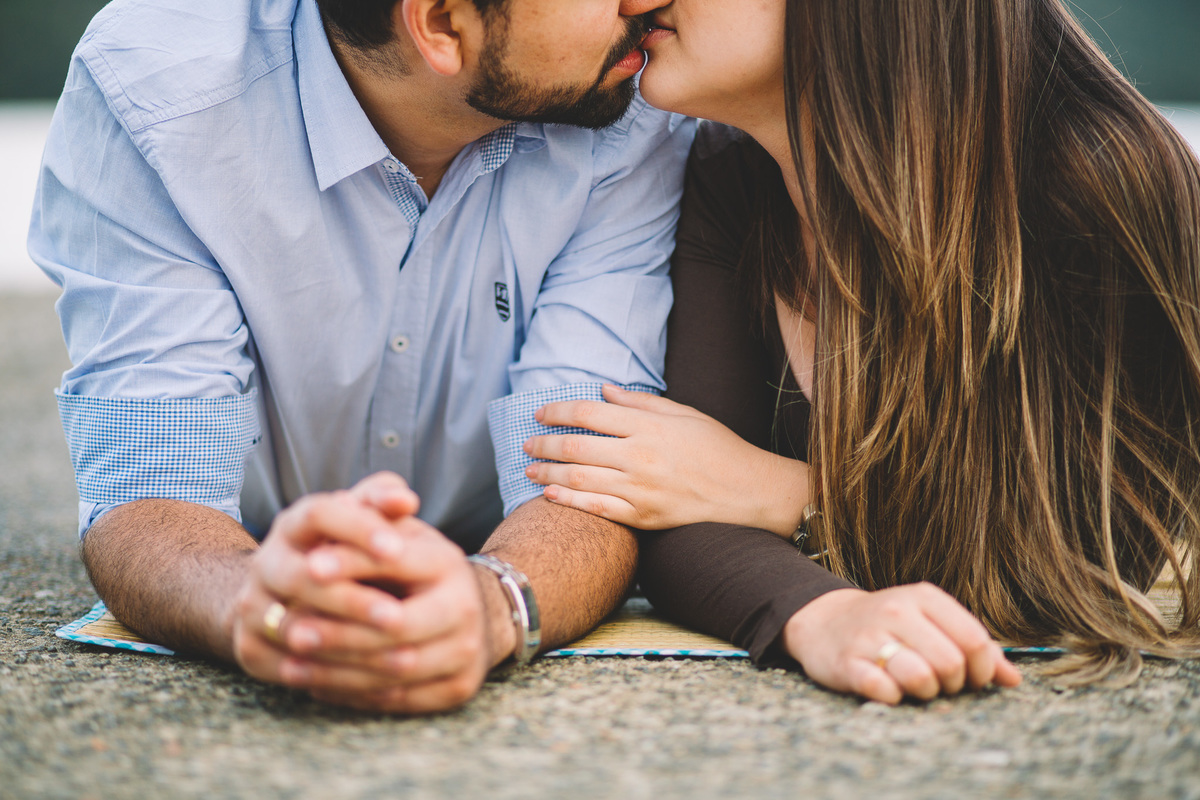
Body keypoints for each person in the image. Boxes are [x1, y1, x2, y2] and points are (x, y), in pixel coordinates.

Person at [28, 0, 695, 714]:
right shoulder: (157, 92)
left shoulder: (635, 102)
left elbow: (591, 470)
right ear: (441, 24)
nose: (646, 1)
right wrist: (263, 605)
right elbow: (155, 485)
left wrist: (491, 605)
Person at [524, 0, 1200, 704]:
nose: (637, 1)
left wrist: (789, 493)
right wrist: (821, 613)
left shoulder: (1107, 184)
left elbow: (1086, 561)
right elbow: (674, 502)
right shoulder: (728, 176)